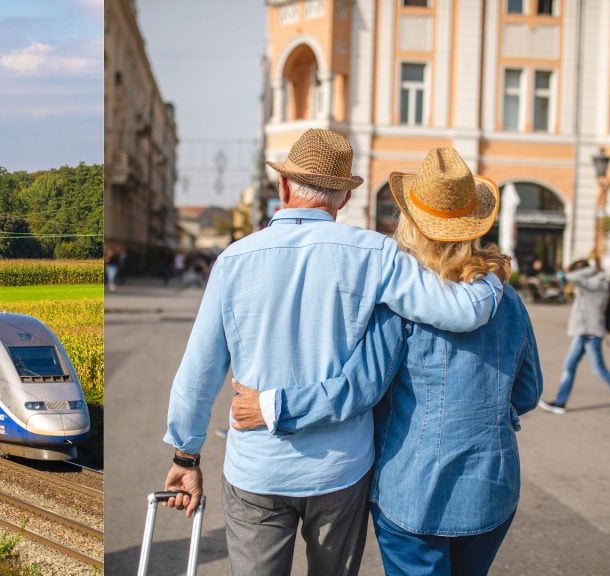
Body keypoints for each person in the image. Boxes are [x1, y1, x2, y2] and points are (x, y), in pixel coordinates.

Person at [162, 131, 504, 576]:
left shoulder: (233, 260)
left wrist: (185, 458)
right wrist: (494, 276)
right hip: (339, 470)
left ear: (284, 188)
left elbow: (198, 373)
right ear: (343, 198)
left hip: (257, 468)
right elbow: (458, 312)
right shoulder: (375, 254)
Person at [231, 147, 543, 576]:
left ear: (410, 222)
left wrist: (273, 406)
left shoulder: (402, 302)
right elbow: (528, 391)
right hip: (493, 486)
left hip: (413, 491)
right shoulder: (506, 299)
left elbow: (358, 390)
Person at [538, 256, 610, 414]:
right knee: (569, 365)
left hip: (590, 331)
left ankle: (560, 402)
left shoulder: (596, 283)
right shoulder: (592, 281)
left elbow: (569, 276)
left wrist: (587, 269)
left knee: (598, 369)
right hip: (584, 331)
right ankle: (560, 403)